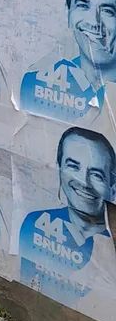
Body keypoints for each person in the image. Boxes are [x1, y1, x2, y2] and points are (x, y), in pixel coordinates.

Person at [18, 127, 116, 304]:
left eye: (96, 175)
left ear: (112, 187)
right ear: (59, 169)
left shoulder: (110, 244)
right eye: (73, 167)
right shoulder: (34, 223)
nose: (83, 182)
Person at [20, 0, 116, 122]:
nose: (94, 22)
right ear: (68, 13)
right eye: (83, 6)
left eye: (108, 11)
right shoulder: (33, 85)